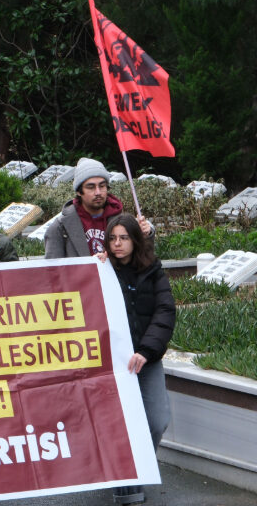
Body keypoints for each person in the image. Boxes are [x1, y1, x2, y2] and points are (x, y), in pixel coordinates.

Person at [97, 213, 174, 505]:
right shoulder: (101, 269)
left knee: (157, 420)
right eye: (112, 238)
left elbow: (164, 312)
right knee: (119, 427)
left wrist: (146, 351)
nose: (117, 244)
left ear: (136, 240)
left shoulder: (153, 270)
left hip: (146, 360)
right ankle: (127, 485)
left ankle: (139, 468)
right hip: (112, 364)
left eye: (124, 238)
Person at [45, 157, 153, 259]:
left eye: (102, 186)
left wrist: (145, 236)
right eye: (91, 187)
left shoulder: (123, 221)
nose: (98, 192)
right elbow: (53, 269)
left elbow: (142, 261)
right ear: (79, 191)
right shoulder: (60, 227)